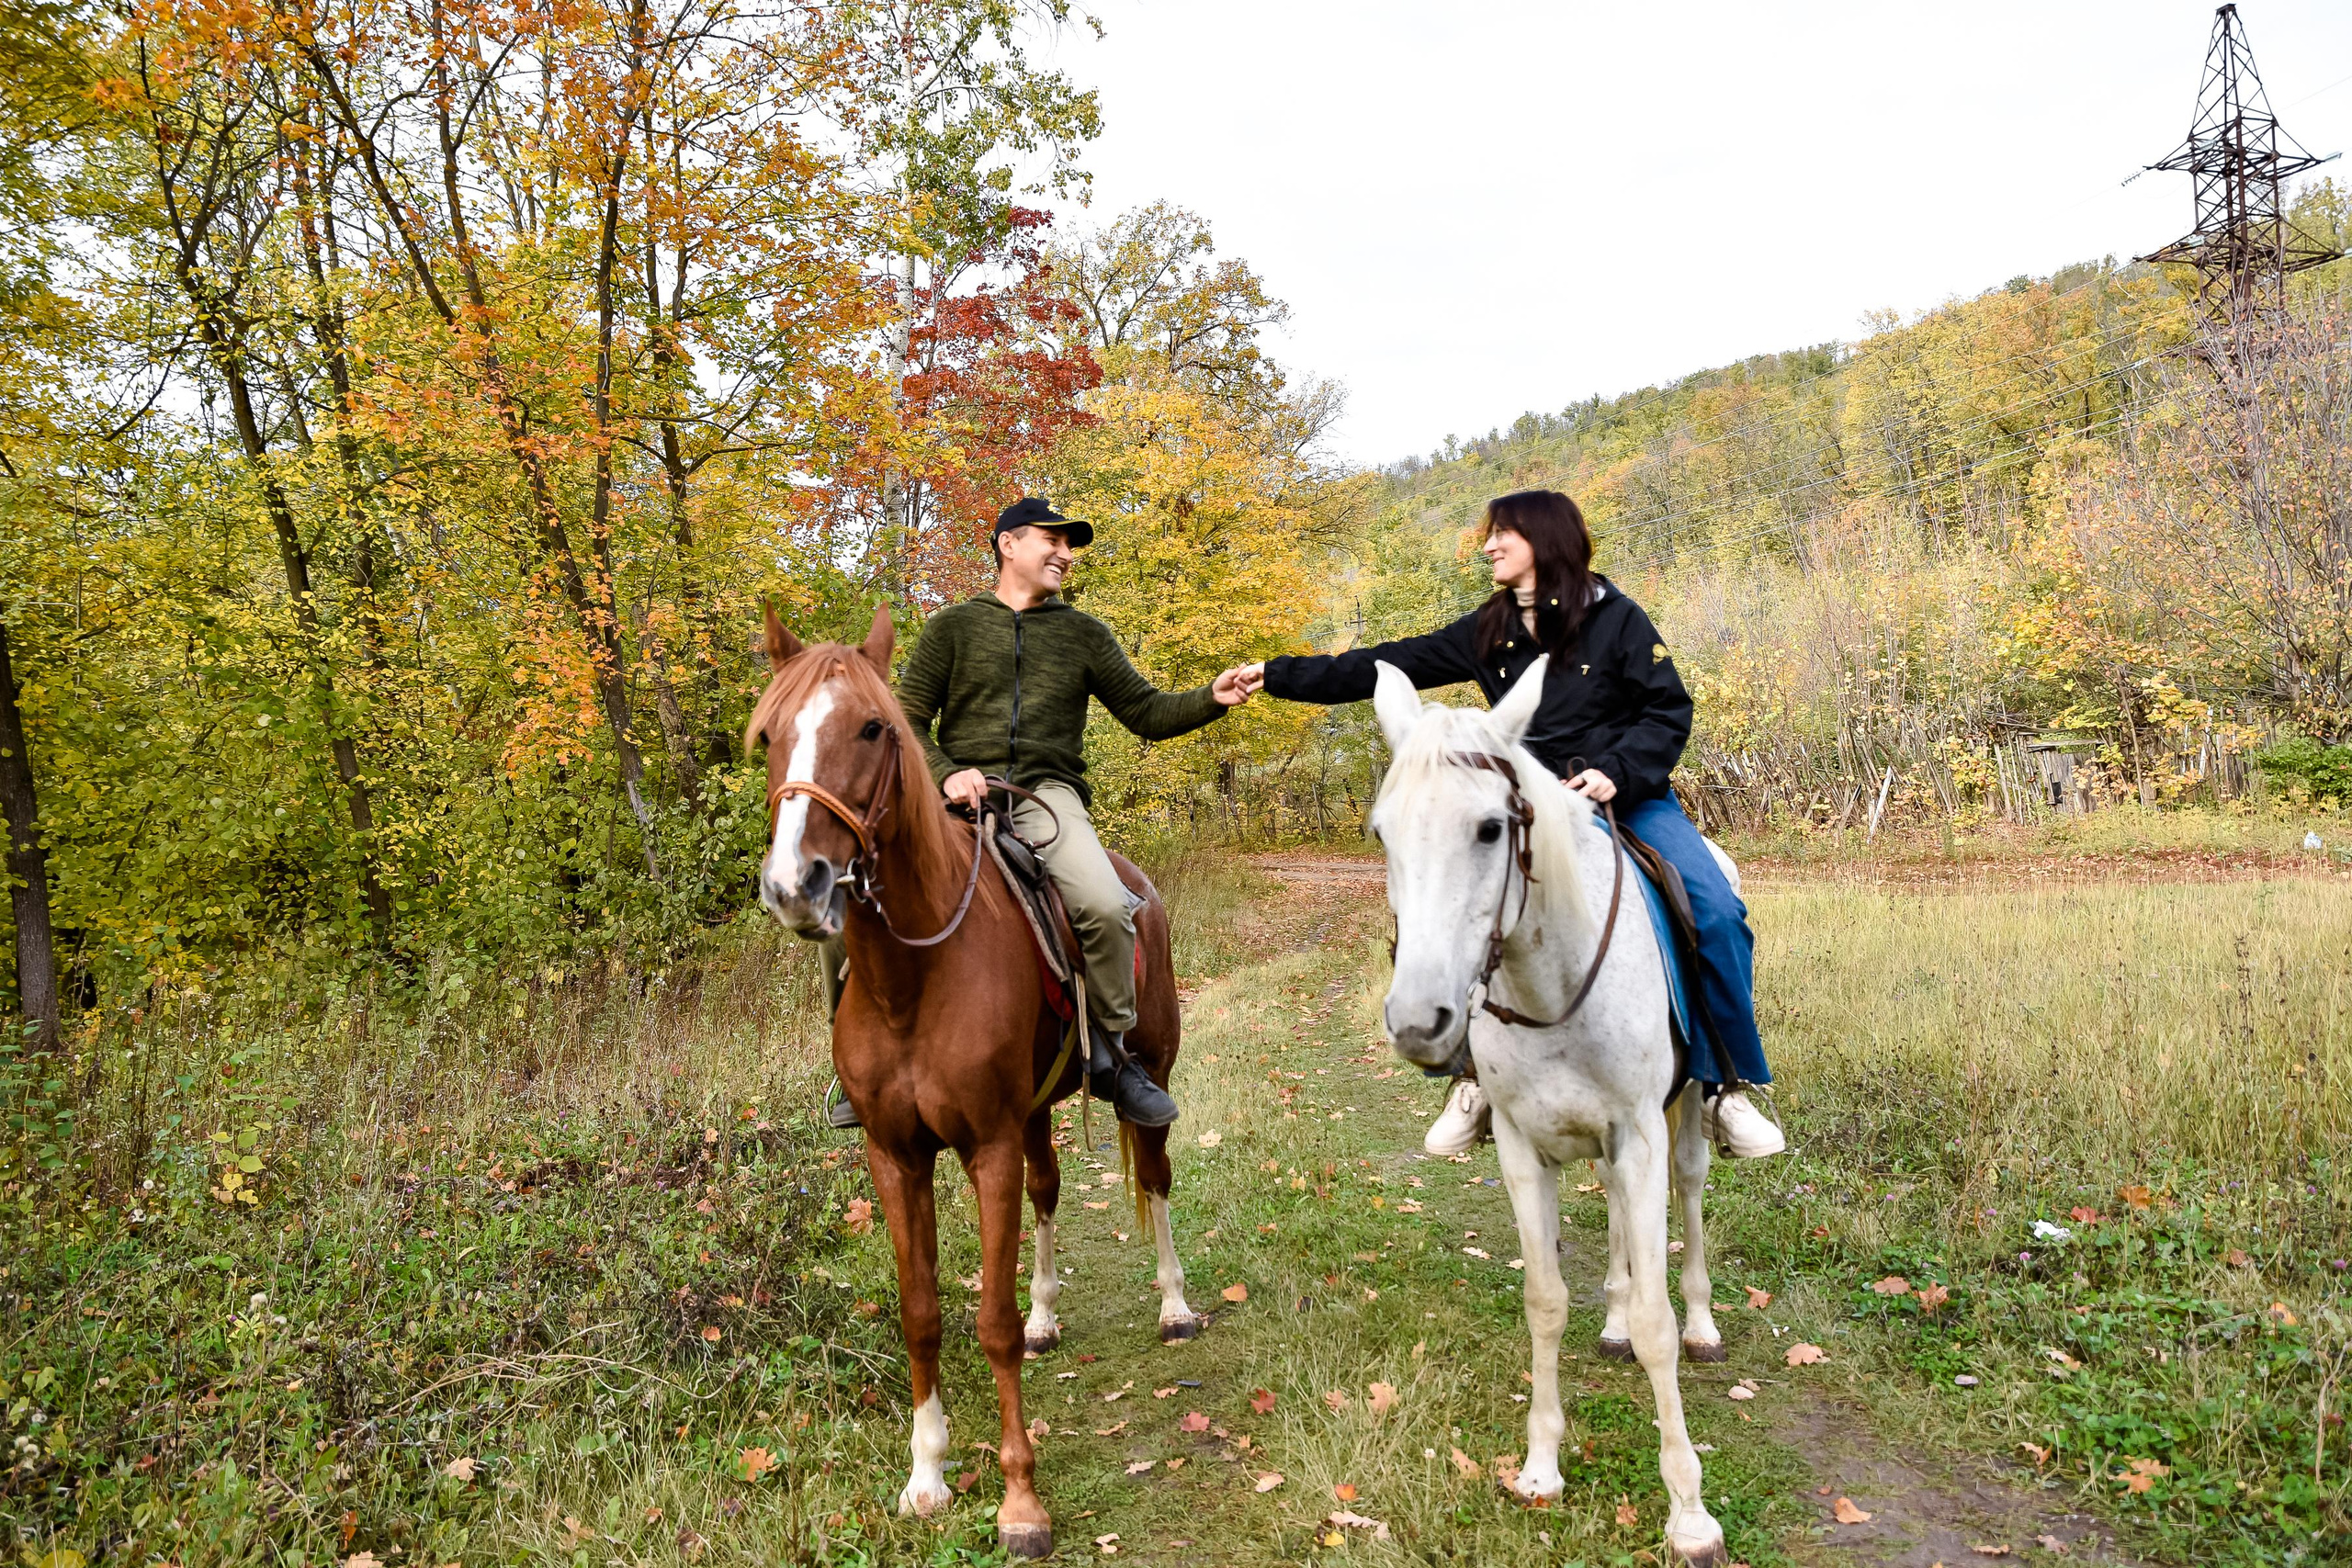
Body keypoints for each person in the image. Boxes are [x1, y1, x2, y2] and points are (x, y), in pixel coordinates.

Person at [1236, 489, 1783, 1159]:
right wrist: (1276, 673)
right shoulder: (1488, 629)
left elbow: (1667, 710)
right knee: (1465, 906)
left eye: (1503, 535)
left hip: (1629, 798)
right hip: (1523, 810)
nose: (1489, 546)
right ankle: (1472, 1078)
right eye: (1489, 535)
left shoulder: (1619, 619)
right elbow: (1384, 662)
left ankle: (1726, 1085)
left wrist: (1617, 770)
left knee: (1717, 909)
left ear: (1544, 540)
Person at [824, 497, 1256, 1130]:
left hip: (1045, 800)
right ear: (1008, 544)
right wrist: (948, 774)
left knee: (1107, 906)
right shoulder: (952, 628)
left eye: (1070, 544)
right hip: (951, 804)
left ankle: (1112, 1052)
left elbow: (1146, 711)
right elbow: (904, 719)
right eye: (1052, 540)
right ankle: (854, 1067)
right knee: (847, 895)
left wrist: (1211, 699)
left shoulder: (1083, 634)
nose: (1065, 553)